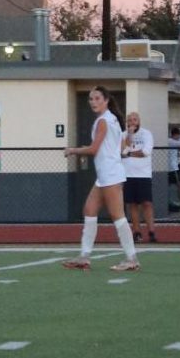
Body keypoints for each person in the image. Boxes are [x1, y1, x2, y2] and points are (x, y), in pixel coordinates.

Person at [61, 86, 139, 272]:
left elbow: (94, 149)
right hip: (105, 175)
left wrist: (73, 150)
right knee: (89, 210)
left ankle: (132, 259)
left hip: (110, 175)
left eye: (97, 98)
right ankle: (84, 257)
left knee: (117, 216)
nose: (93, 102)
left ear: (106, 100)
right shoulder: (111, 119)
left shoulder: (104, 121)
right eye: (90, 99)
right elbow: (120, 147)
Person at [121, 112, 157, 243]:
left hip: (143, 174)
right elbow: (122, 152)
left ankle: (151, 231)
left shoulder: (146, 134)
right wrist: (129, 134)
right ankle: (136, 232)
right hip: (128, 174)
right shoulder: (124, 135)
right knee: (133, 204)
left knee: (147, 203)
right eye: (129, 120)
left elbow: (146, 152)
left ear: (139, 121)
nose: (132, 122)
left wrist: (129, 153)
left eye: (134, 119)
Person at [166, 125, 180, 212]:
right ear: (175, 135)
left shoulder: (173, 142)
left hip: (174, 167)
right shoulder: (170, 141)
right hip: (172, 168)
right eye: (178, 136)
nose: (179, 138)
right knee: (179, 185)